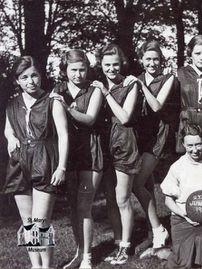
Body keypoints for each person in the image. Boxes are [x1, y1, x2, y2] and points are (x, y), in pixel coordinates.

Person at [2, 56, 68, 268]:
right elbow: (8, 129)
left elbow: (63, 135)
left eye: (34, 75)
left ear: (41, 76)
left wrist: (61, 166)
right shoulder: (13, 103)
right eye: (24, 77)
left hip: (45, 161)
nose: (30, 81)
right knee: (29, 224)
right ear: (17, 80)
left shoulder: (52, 101)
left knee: (41, 223)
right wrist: (11, 138)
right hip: (19, 164)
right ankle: (36, 266)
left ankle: (46, 267)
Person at [51, 49, 103, 269]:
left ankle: (88, 257)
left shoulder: (95, 89)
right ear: (65, 70)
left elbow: (90, 119)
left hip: (91, 150)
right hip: (69, 153)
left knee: (84, 206)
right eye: (73, 70)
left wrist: (65, 107)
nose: (78, 74)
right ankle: (79, 253)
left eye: (82, 69)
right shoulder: (58, 89)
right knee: (74, 206)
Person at [90, 44, 141, 265]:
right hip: (104, 145)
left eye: (115, 64)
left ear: (122, 64)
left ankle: (126, 246)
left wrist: (105, 93)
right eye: (107, 64)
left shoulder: (130, 84)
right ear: (100, 65)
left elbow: (125, 117)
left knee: (122, 198)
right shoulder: (96, 84)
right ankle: (118, 241)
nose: (111, 69)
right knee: (111, 199)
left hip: (124, 143)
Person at [130, 40, 178, 251]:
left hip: (159, 135)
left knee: (136, 183)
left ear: (162, 60)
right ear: (141, 60)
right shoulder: (137, 78)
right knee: (146, 185)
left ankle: (159, 229)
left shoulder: (168, 78)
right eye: (148, 59)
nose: (152, 63)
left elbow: (157, 106)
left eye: (156, 59)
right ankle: (154, 233)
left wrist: (139, 86)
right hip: (140, 135)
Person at [160, 123, 202, 268]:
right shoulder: (177, 167)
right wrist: (185, 214)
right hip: (181, 218)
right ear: (183, 144)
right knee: (185, 262)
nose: (194, 150)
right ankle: (174, 256)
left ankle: (177, 256)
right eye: (189, 145)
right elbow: (168, 200)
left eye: (198, 144)